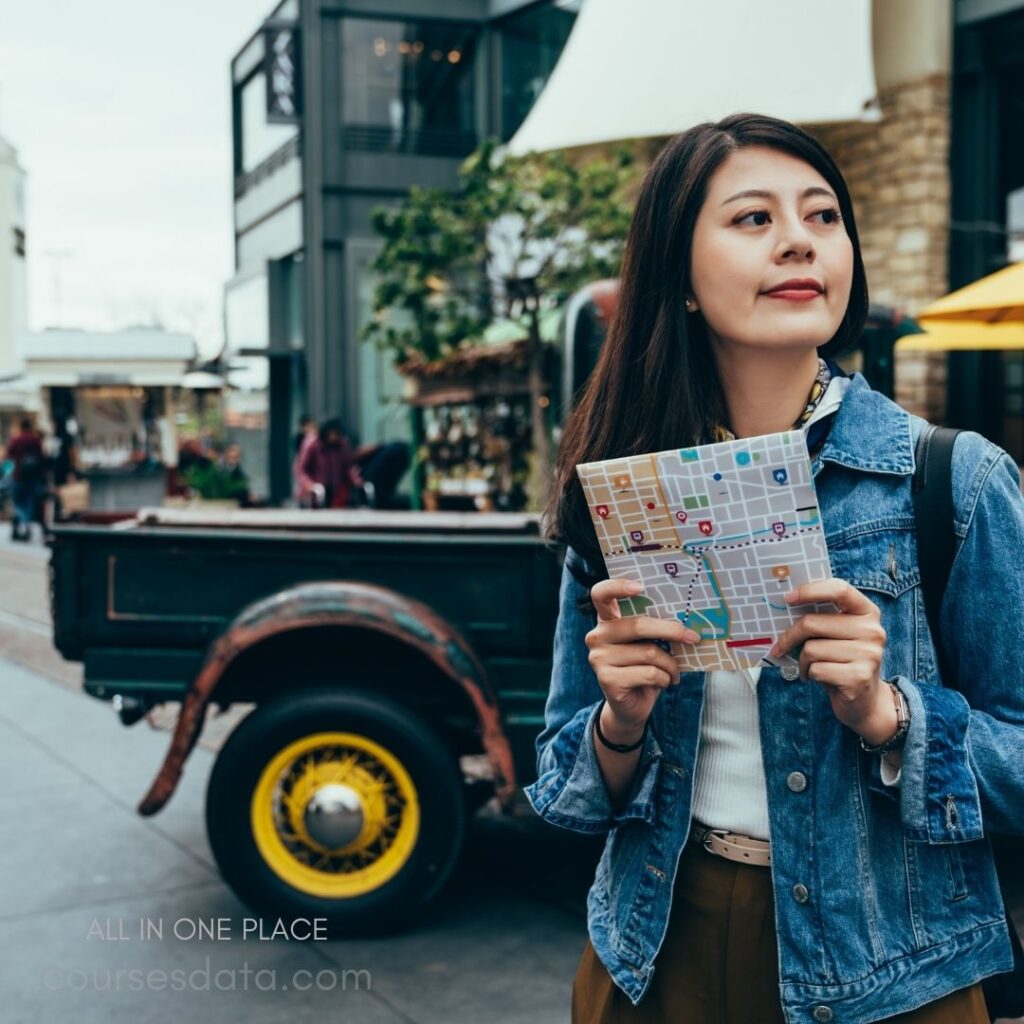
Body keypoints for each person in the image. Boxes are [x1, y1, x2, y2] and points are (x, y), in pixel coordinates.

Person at [523, 113, 1024, 1024]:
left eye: (823, 216)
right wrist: (620, 722)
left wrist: (892, 718)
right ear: (677, 273)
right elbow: (565, 775)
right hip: (651, 947)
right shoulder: (626, 489)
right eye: (754, 218)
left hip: (894, 972)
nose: (799, 239)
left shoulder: (956, 481)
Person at [297, 418, 361, 509]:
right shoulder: (312, 444)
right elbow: (301, 469)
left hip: (334, 490)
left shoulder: (342, 445)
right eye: (331, 434)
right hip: (314, 491)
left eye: (336, 434)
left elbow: (348, 467)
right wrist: (309, 484)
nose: (333, 437)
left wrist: (356, 481)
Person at [7, 417, 46, 541]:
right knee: (29, 502)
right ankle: (26, 525)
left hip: (19, 475)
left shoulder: (16, 440)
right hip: (33, 478)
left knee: (18, 502)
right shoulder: (36, 440)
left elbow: (9, 455)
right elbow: (42, 457)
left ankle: (21, 522)